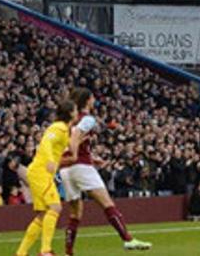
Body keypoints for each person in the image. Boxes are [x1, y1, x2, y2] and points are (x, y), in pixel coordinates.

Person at [59, 88, 151, 254]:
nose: (94, 100)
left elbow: (66, 142)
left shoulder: (67, 121)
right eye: (93, 97)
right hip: (81, 166)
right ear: (87, 100)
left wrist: (91, 158)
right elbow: (76, 136)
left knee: (75, 214)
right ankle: (128, 240)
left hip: (66, 170)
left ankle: (68, 252)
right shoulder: (87, 119)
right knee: (107, 203)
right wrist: (76, 152)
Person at [15, 101, 80, 256]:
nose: (77, 112)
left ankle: (21, 253)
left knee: (43, 214)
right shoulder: (58, 127)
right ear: (70, 112)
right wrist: (50, 160)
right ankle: (45, 251)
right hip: (41, 172)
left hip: (42, 172)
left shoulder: (65, 130)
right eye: (76, 109)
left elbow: (59, 153)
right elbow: (46, 143)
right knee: (55, 207)